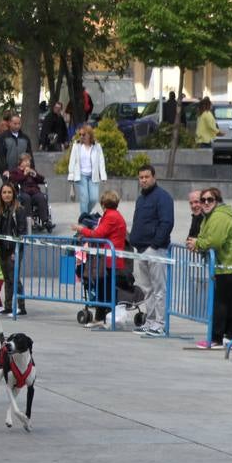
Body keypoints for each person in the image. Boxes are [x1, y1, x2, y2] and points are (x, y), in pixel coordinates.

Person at [188, 188, 232, 350]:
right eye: (203, 200)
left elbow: (214, 241)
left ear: (217, 201)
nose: (206, 203)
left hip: (231, 266)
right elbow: (206, 237)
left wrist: (198, 244)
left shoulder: (218, 216)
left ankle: (216, 339)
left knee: (221, 303)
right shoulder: (212, 216)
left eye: (210, 199)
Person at [129, 164, 175, 338]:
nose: (143, 180)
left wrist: (155, 244)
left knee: (159, 289)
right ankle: (150, 321)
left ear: (154, 177)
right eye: (141, 177)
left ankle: (160, 323)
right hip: (140, 249)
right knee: (147, 289)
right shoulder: (141, 199)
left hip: (155, 249)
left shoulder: (163, 197)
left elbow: (167, 222)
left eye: (146, 177)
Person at [74, 188, 130, 327]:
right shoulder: (114, 215)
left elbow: (98, 234)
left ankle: (102, 317)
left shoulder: (110, 216)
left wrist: (81, 229)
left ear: (103, 204)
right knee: (104, 287)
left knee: (103, 287)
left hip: (109, 260)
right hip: (110, 259)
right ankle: (102, 316)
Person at [0, 183, 27, 316]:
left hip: (14, 249)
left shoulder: (19, 210)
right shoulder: (1, 210)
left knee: (14, 278)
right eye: (4, 192)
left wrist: (15, 251)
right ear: (0, 195)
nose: (6, 195)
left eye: (9, 192)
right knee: (7, 279)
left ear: (13, 194)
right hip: (3, 249)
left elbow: (21, 231)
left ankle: (21, 307)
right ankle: (8, 306)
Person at [67, 124, 107, 216]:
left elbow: (101, 161)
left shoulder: (97, 146)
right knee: (84, 198)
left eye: (83, 134)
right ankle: (84, 219)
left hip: (93, 176)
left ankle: (84, 215)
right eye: (80, 134)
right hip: (81, 176)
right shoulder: (76, 146)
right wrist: (71, 175)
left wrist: (103, 175)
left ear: (89, 135)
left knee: (93, 199)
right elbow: (72, 161)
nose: (81, 136)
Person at [7, 153, 52, 230]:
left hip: (34, 192)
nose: (28, 163)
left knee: (41, 197)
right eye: (25, 161)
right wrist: (24, 174)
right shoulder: (15, 171)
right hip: (23, 192)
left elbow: (42, 179)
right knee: (26, 198)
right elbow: (15, 181)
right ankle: (30, 222)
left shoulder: (32, 170)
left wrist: (34, 174)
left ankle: (45, 221)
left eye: (29, 161)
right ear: (20, 162)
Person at [0, 113, 33, 180]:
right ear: (10, 123)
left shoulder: (25, 138)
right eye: (15, 124)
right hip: (8, 172)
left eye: (19, 124)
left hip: (23, 171)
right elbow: (1, 156)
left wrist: (32, 168)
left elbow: (29, 155)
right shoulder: (1, 138)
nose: (17, 126)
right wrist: (4, 170)